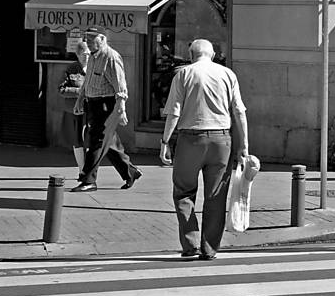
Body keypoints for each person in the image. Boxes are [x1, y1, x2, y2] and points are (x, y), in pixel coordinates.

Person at [160, 39, 248, 260]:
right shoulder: (228, 74)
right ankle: (209, 248)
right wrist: (243, 145)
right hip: (221, 141)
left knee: (183, 192)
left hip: (190, 140)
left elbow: (174, 112)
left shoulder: (183, 74)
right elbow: (239, 112)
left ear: (191, 54)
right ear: (213, 54)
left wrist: (165, 142)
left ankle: (190, 244)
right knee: (216, 196)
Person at [70, 28, 142, 192]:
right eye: (86, 38)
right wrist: (80, 100)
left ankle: (88, 180)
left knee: (96, 141)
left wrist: (121, 108)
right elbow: (88, 81)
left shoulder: (111, 57)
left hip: (106, 105)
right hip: (93, 104)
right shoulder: (93, 57)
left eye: (91, 38)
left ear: (102, 38)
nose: (87, 41)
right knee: (108, 142)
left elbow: (120, 85)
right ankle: (131, 172)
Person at [60, 40, 90, 177]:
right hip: (73, 111)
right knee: (77, 141)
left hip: (90, 111)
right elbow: (61, 89)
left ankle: (89, 170)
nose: (87, 57)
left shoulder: (95, 68)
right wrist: (78, 91)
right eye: (84, 54)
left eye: (89, 54)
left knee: (89, 141)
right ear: (77, 55)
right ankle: (81, 170)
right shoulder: (71, 69)